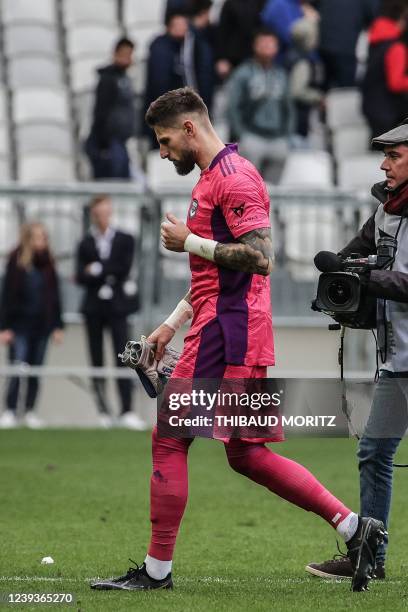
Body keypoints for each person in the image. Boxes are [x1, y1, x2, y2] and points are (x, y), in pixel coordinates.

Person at [90, 87, 384, 593]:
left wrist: (191, 241)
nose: (162, 153)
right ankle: (357, 529)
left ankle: (157, 571)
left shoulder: (236, 177)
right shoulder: (210, 179)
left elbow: (260, 258)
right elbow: (210, 271)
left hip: (229, 329)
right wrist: (169, 325)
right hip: (226, 323)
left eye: (164, 142)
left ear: (189, 128)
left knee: (169, 438)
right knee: (246, 454)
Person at [306, 118, 408, 581]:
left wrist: (366, 277)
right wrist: (337, 277)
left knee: (375, 452)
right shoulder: (387, 208)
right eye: (385, 156)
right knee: (374, 452)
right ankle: (371, 557)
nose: (384, 164)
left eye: (394, 156)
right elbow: (355, 254)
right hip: (398, 359)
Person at [76, 195, 143, 430]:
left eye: (105, 211)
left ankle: (126, 409)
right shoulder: (85, 243)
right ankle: (103, 411)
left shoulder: (125, 239)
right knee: (96, 359)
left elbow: (123, 268)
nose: (101, 217)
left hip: (117, 307)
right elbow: (80, 276)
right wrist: (101, 272)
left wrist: (96, 268)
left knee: (123, 357)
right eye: (97, 213)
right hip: (94, 308)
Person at [0, 223, 64, 429]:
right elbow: (7, 295)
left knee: (36, 369)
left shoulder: (48, 264)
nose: (42, 241)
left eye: (44, 237)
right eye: (38, 237)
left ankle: (29, 410)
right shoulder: (15, 260)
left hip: (42, 326)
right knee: (18, 367)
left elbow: (55, 297)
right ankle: (10, 409)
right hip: (19, 326)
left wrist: (57, 325)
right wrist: (4, 327)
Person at [227, 29, 293, 182]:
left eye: (271, 44)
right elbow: (233, 107)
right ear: (255, 46)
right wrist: (241, 134)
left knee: (272, 192)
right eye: (263, 44)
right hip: (252, 136)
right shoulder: (243, 73)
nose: (267, 48)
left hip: (278, 138)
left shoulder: (281, 74)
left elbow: (289, 108)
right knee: (249, 188)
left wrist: (287, 135)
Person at [143, 11, 215, 148]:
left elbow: (204, 73)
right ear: (169, 27)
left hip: (189, 107)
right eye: (178, 24)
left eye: (184, 24)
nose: (182, 28)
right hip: (168, 110)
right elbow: (158, 81)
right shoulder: (160, 47)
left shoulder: (194, 44)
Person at [85, 37, 136, 179]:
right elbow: (101, 111)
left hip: (118, 141)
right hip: (109, 143)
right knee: (113, 183)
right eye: (124, 54)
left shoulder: (123, 79)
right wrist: (103, 144)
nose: (128, 59)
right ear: (115, 54)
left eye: (130, 55)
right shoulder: (108, 79)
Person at [362, 0, 408, 138]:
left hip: (372, 108)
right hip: (389, 113)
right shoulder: (396, 47)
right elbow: (396, 83)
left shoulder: (375, 41)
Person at [318, 0, 380, 90]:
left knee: (325, 86)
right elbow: (375, 17)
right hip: (345, 47)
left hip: (323, 44)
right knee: (346, 91)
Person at [215, 0, 266, 81]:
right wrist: (222, 58)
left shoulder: (259, 3)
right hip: (233, 59)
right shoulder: (230, 4)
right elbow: (221, 33)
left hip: (253, 56)